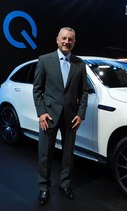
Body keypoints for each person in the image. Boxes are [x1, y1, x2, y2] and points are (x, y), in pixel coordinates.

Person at [33, 27, 88, 206]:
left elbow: (84, 92)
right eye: (64, 38)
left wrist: (80, 114)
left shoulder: (80, 64)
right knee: (45, 154)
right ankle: (43, 188)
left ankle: (65, 184)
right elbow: (37, 90)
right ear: (57, 40)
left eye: (70, 39)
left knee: (68, 154)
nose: (67, 42)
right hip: (49, 116)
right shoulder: (44, 60)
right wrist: (41, 113)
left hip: (71, 117)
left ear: (74, 42)